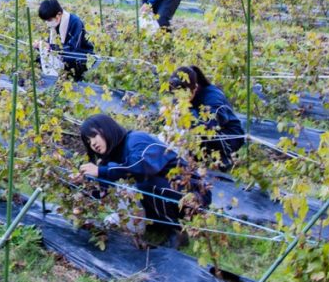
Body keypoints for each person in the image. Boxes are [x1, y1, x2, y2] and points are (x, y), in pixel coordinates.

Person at [77, 113, 209, 240]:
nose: (93, 144)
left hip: (193, 194)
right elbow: (105, 187)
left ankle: (175, 230)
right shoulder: (113, 156)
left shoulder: (136, 139)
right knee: (127, 190)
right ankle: (156, 225)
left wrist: (102, 171)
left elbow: (142, 166)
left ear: (107, 129)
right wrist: (84, 183)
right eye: (88, 142)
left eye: (94, 136)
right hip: (168, 196)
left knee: (143, 184)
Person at [169, 65, 245, 170]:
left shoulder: (213, 96)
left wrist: (187, 110)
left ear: (195, 87)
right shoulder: (182, 95)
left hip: (228, 136)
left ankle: (224, 160)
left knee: (200, 132)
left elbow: (210, 125)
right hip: (203, 135)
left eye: (182, 94)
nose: (179, 97)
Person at [33, 0, 95, 81]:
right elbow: (51, 44)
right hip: (64, 56)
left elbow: (72, 50)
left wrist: (50, 47)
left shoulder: (75, 23)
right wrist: (40, 46)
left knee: (67, 72)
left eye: (49, 20)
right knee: (38, 59)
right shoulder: (54, 26)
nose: (47, 23)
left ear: (58, 15)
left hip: (80, 58)